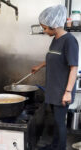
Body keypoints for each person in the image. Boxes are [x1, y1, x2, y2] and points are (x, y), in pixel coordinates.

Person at [31, 5, 79, 150]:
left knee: (59, 122)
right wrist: (40, 66)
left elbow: (74, 68)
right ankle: (54, 145)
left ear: (54, 25)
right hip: (53, 88)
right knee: (56, 120)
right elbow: (54, 57)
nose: (44, 31)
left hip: (62, 90)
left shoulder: (69, 41)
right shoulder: (55, 39)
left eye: (45, 28)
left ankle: (60, 147)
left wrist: (68, 92)